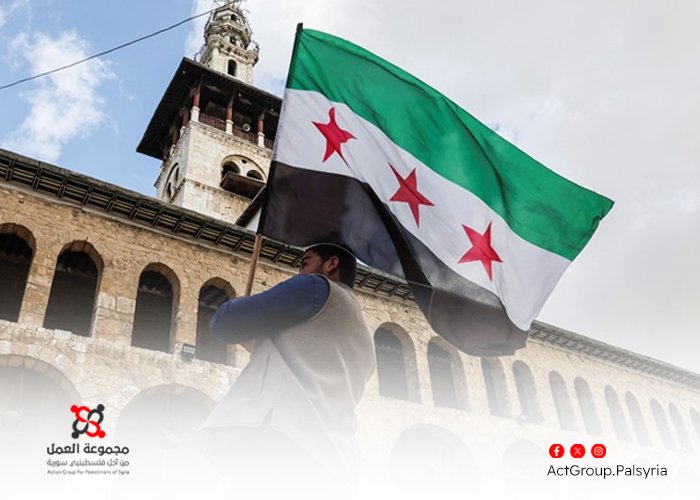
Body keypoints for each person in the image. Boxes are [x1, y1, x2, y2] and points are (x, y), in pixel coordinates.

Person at [202, 243, 375, 498]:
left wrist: (239, 305)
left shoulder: (315, 287)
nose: (299, 273)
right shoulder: (365, 340)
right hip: (331, 458)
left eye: (305, 263)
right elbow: (303, 354)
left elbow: (224, 322)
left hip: (280, 442)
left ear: (331, 264)